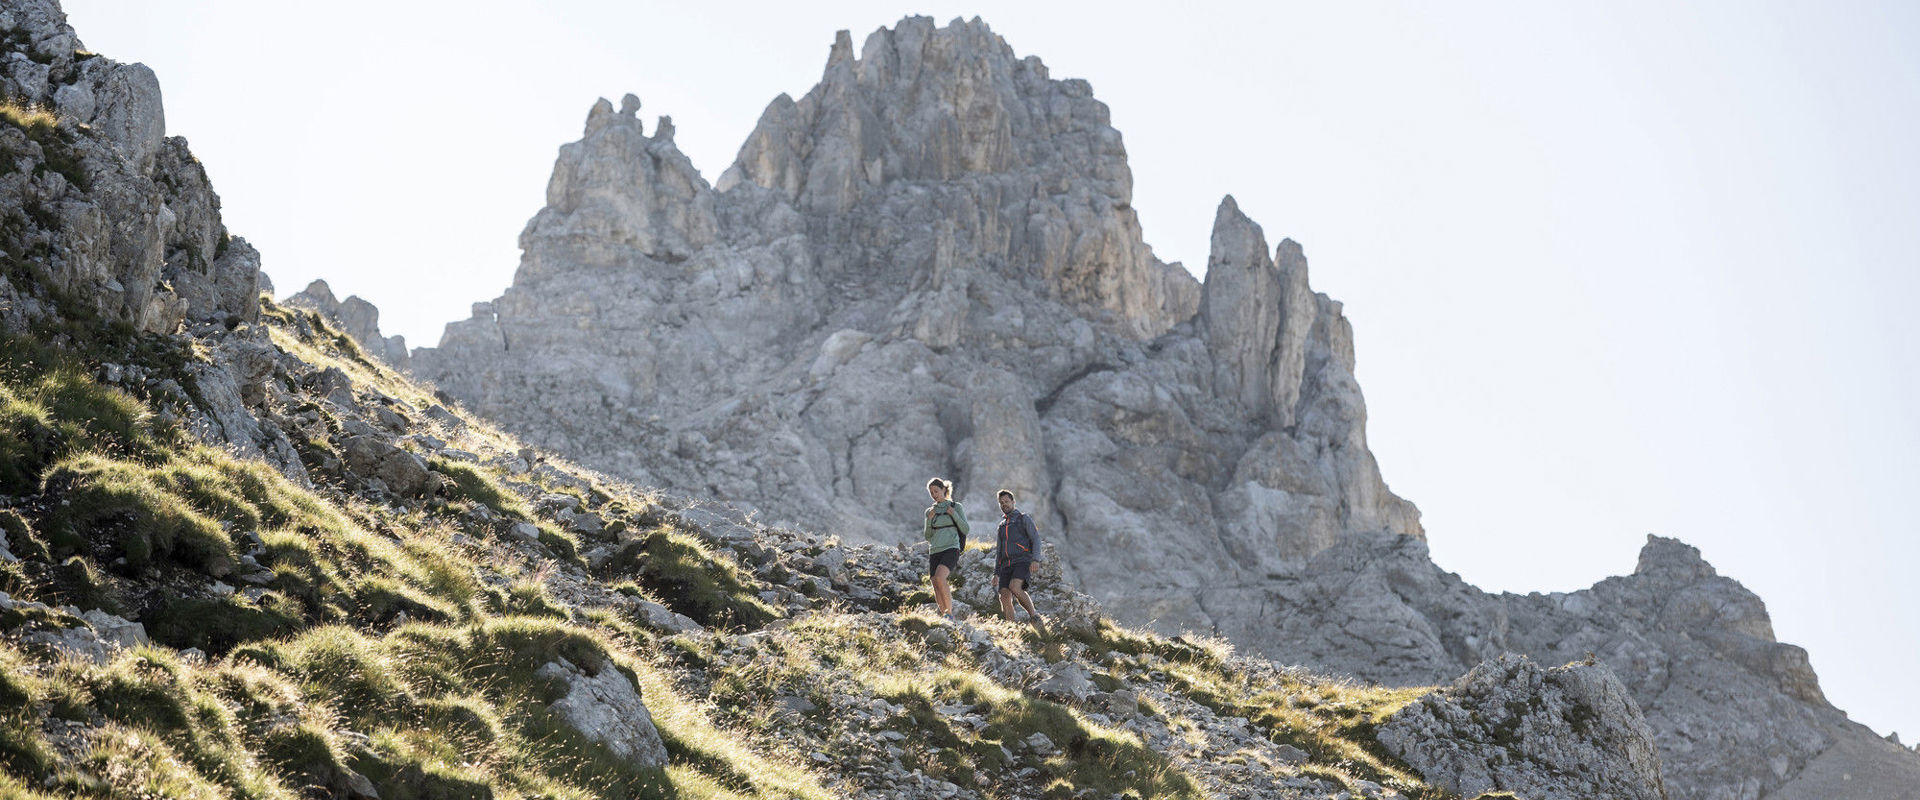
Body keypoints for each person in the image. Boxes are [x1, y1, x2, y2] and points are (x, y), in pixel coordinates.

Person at [993, 489, 1045, 631]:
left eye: (1007, 502)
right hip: (1005, 565)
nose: (1004, 504)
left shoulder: (1023, 518)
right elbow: (999, 551)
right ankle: (1011, 628)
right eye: (1001, 503)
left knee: (1015, 587)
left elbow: (1035, 539)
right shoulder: (1001, 526)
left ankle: (1034, 616)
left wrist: (1035, 559)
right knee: (1004, 596)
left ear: (1013, 502)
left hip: (1022, 560)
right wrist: (996, 573)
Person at [922, 477, 967, 620]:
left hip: (951, 548)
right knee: (935, 582)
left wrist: (953, 514)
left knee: (941, 578)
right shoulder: (929, 511)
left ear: (943, 490)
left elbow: (965, 529)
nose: (934, 494)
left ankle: (949, 614)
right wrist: (929, 520)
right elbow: (928, 536)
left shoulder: (956, 506)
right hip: (934, 550)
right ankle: (944, 616)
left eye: (936, 491)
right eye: (931, 492)